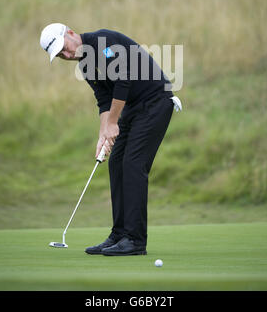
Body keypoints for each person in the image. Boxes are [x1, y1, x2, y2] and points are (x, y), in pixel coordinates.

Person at [39, 24, 182, 255]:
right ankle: (119, 235)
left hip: (155, 102)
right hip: (132, 109)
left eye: (64, 48)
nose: (67, 55)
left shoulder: (103, 41)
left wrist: (113, 122)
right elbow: (104, 99)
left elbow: (123, 78)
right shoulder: (85, 65)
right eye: (60, 55)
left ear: (71, 33)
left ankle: (135, 241)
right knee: (115, 163)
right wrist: (103, 134)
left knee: (133, 165)